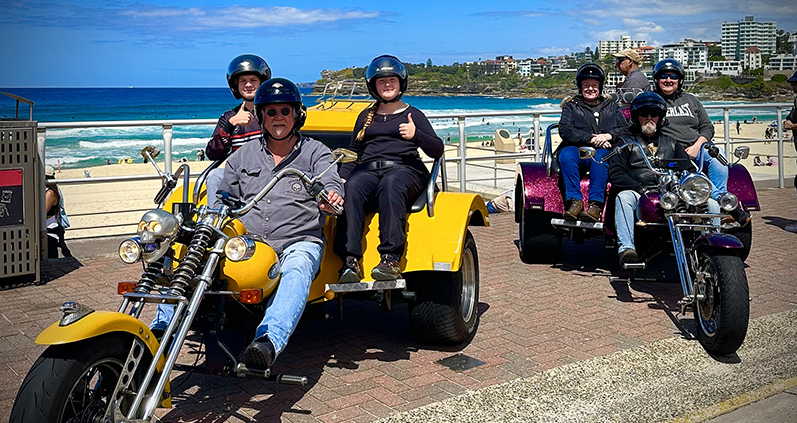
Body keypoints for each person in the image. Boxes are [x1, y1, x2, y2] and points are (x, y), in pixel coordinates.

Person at [152, 78, 344, 372]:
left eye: (285, 111)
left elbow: (331, 183)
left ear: (297, 115)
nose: (278, 117)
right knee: (190, 256)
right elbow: (225, 197)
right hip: (249, 241)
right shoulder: (242, 155)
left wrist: (331, 198)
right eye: (271, 112)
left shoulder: (316, 152)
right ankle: (161, 330)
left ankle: (268, 341)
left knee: (299, 266)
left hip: (298, 239)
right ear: (261, 116)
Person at [333, 55, 444, 282]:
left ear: (401, 82)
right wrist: (343, 178)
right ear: (373, 86)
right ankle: (350, 260)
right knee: (353, 187)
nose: (387, 85)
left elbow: (437, 149)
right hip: (369, 170)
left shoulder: (413, 114)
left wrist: (417, 135)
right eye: (381, 81)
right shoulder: (365, 116)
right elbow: (354, 152)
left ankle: (390, 259)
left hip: (406, 170)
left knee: (392, 182)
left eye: (392, 80)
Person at [608, 92, 717, 266]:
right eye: (644, 114)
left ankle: (713, 250)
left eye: (654, 114)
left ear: (661, 117)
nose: (649, 118)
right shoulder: (625, 142)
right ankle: (626, 248)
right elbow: (615, 173)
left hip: (670, 195)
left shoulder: (672, 143)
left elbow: (688, 169)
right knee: (624, 197)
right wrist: (640, 189)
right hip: (639, 193)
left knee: (712, 203)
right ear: (636, 117)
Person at [652, 58, 750, 227]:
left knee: (719, 155)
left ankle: (721, 200)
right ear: (656, 79)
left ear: (680, 80)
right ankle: (723, 200)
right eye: (664, 76)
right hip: (672, 151)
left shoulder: (691, 100)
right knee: (696, 175)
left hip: (698, 146)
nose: (668, 80)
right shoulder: (653, 101)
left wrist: (698, 145)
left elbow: (707, 127)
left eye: (673, 76)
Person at [557, 62, 628, 222]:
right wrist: (591, 138)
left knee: (600, 159)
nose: (590, 89)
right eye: (586, 85)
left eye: (594, 85)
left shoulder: (611, 106)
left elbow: (624, 128)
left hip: (604, 149)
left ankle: (595, 205)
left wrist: (608, 136)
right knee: (566, 156)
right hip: (577, 149)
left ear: (600, 86)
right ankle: (575, 202)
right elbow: (565, 130)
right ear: (580, 87)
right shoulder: (572, 105)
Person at [203, 54, 271, 202]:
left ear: (262, 82)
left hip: (269, 176)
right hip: (239, 177)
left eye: (253, 80)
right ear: (235, 85)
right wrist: (230, 125)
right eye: (243, 81)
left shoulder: (273, 113)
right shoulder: (229, 117)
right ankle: (213, 221)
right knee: (214, 176)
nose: (248, 85)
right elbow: (212, 153)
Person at [612, 48, 651, 119]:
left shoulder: (633, 80)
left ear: (630, 62)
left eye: (620, 61)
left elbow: (628, 108)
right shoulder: (636, 77)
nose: (616, 64)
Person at [44, 165, 72, 258]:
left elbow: (42, 214)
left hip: (50, 229)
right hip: (48, 228)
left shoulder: (50, 193)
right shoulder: (48, 190)